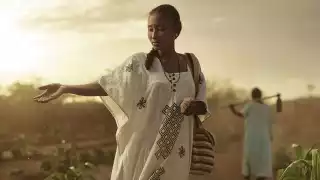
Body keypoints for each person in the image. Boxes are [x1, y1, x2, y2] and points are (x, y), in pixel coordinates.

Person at [34, 4, 210, 180]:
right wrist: (67, 88)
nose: (154, 35)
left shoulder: (191, 63)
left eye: (161, 29)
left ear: (176, 31)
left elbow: (201, 103)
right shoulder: (139, 63)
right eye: (150, 29)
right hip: (144, 150)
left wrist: (195, 106)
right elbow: (107, 85)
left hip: (178, 152)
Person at [228, 87, 274, 180]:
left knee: (249, 156)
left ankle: (248, 175)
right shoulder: (266, 108)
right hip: (264, 137)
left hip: (252, 137)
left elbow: (240, 114)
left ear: (252, 96)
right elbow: (270, 122)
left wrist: (232, 108)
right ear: (260, 96)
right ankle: (260, 175)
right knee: (262, 157)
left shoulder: (250, 105)